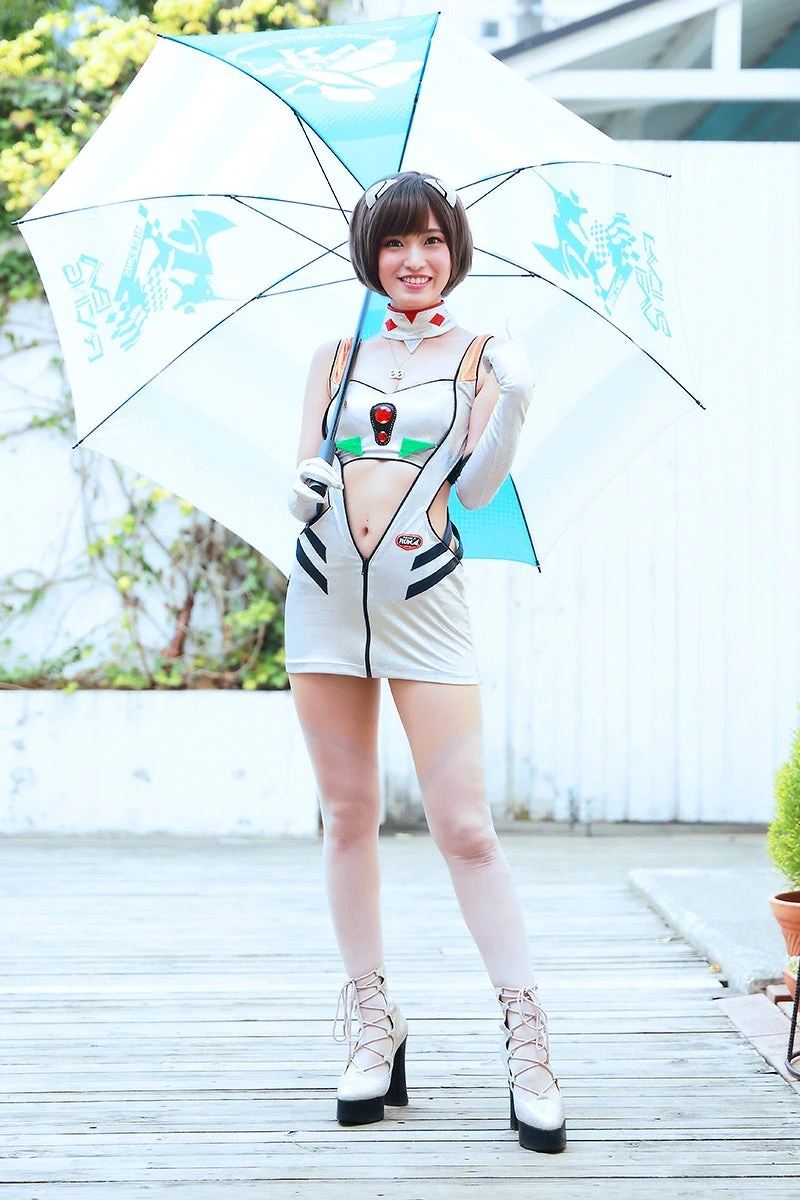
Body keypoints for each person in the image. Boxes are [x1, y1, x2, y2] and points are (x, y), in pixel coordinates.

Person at [284, 171, 566, 1155]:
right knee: (346, 818)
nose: (414, 259)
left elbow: (476, 491)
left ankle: (527, 1043)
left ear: (455, 249)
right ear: (370, 254)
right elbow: (304, 470)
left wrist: (514, 403)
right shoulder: (333, 356)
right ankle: (372, 1021)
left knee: (466, 829)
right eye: (395, 242)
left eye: (432, 240)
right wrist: (303, 489)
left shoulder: (484, 357)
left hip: (424, 601)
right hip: (323, 600)